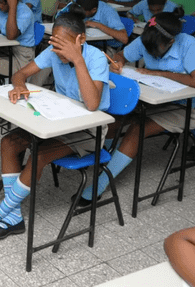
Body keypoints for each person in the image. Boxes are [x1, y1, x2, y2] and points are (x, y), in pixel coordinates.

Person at [0, 9, 110, 240]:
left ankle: (2, 212)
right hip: (58, 121)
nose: (57, 52)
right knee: (9, 142)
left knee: (40, 153)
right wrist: (19, 85)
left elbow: (92, 104)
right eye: (55, 45)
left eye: (63, 47)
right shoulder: (54, 53)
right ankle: (14, 218)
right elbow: (20, 74)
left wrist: (77, 59)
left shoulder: (96, 58)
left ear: (80, 40)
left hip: (89, 130)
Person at [77, 13, 195, 206]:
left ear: (172, 41)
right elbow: (122, 54)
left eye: (156, 50)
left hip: (186, 106)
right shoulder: (148, 38)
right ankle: (102, 157)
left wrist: (158, 73)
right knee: (112, 119)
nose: (151, 53)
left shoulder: (189, 44)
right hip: (156, 99)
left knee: (137, 128)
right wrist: (119, 62)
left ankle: (101, 184)